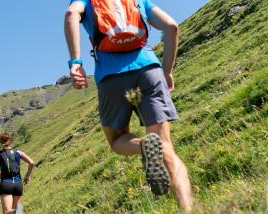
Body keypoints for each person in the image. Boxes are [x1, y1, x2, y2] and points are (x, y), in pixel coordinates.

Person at [64, 0, 194, 212]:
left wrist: (75, 62)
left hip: (111, 77)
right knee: (166, 146)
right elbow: (172, 27)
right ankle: (189, 210)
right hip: (149, 70)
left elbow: (71, 14)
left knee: (117, 140)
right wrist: (167, 71)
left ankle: (143, 145)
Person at [0, 131, 35, 214]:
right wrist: (28, 176)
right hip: (18, 183)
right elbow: (31, 162)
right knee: (16, 209)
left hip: (6, 183)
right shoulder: (18, 152)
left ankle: (19, 212)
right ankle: (19, 211)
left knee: (7, 212)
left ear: (1, 142)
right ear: (10, 141)